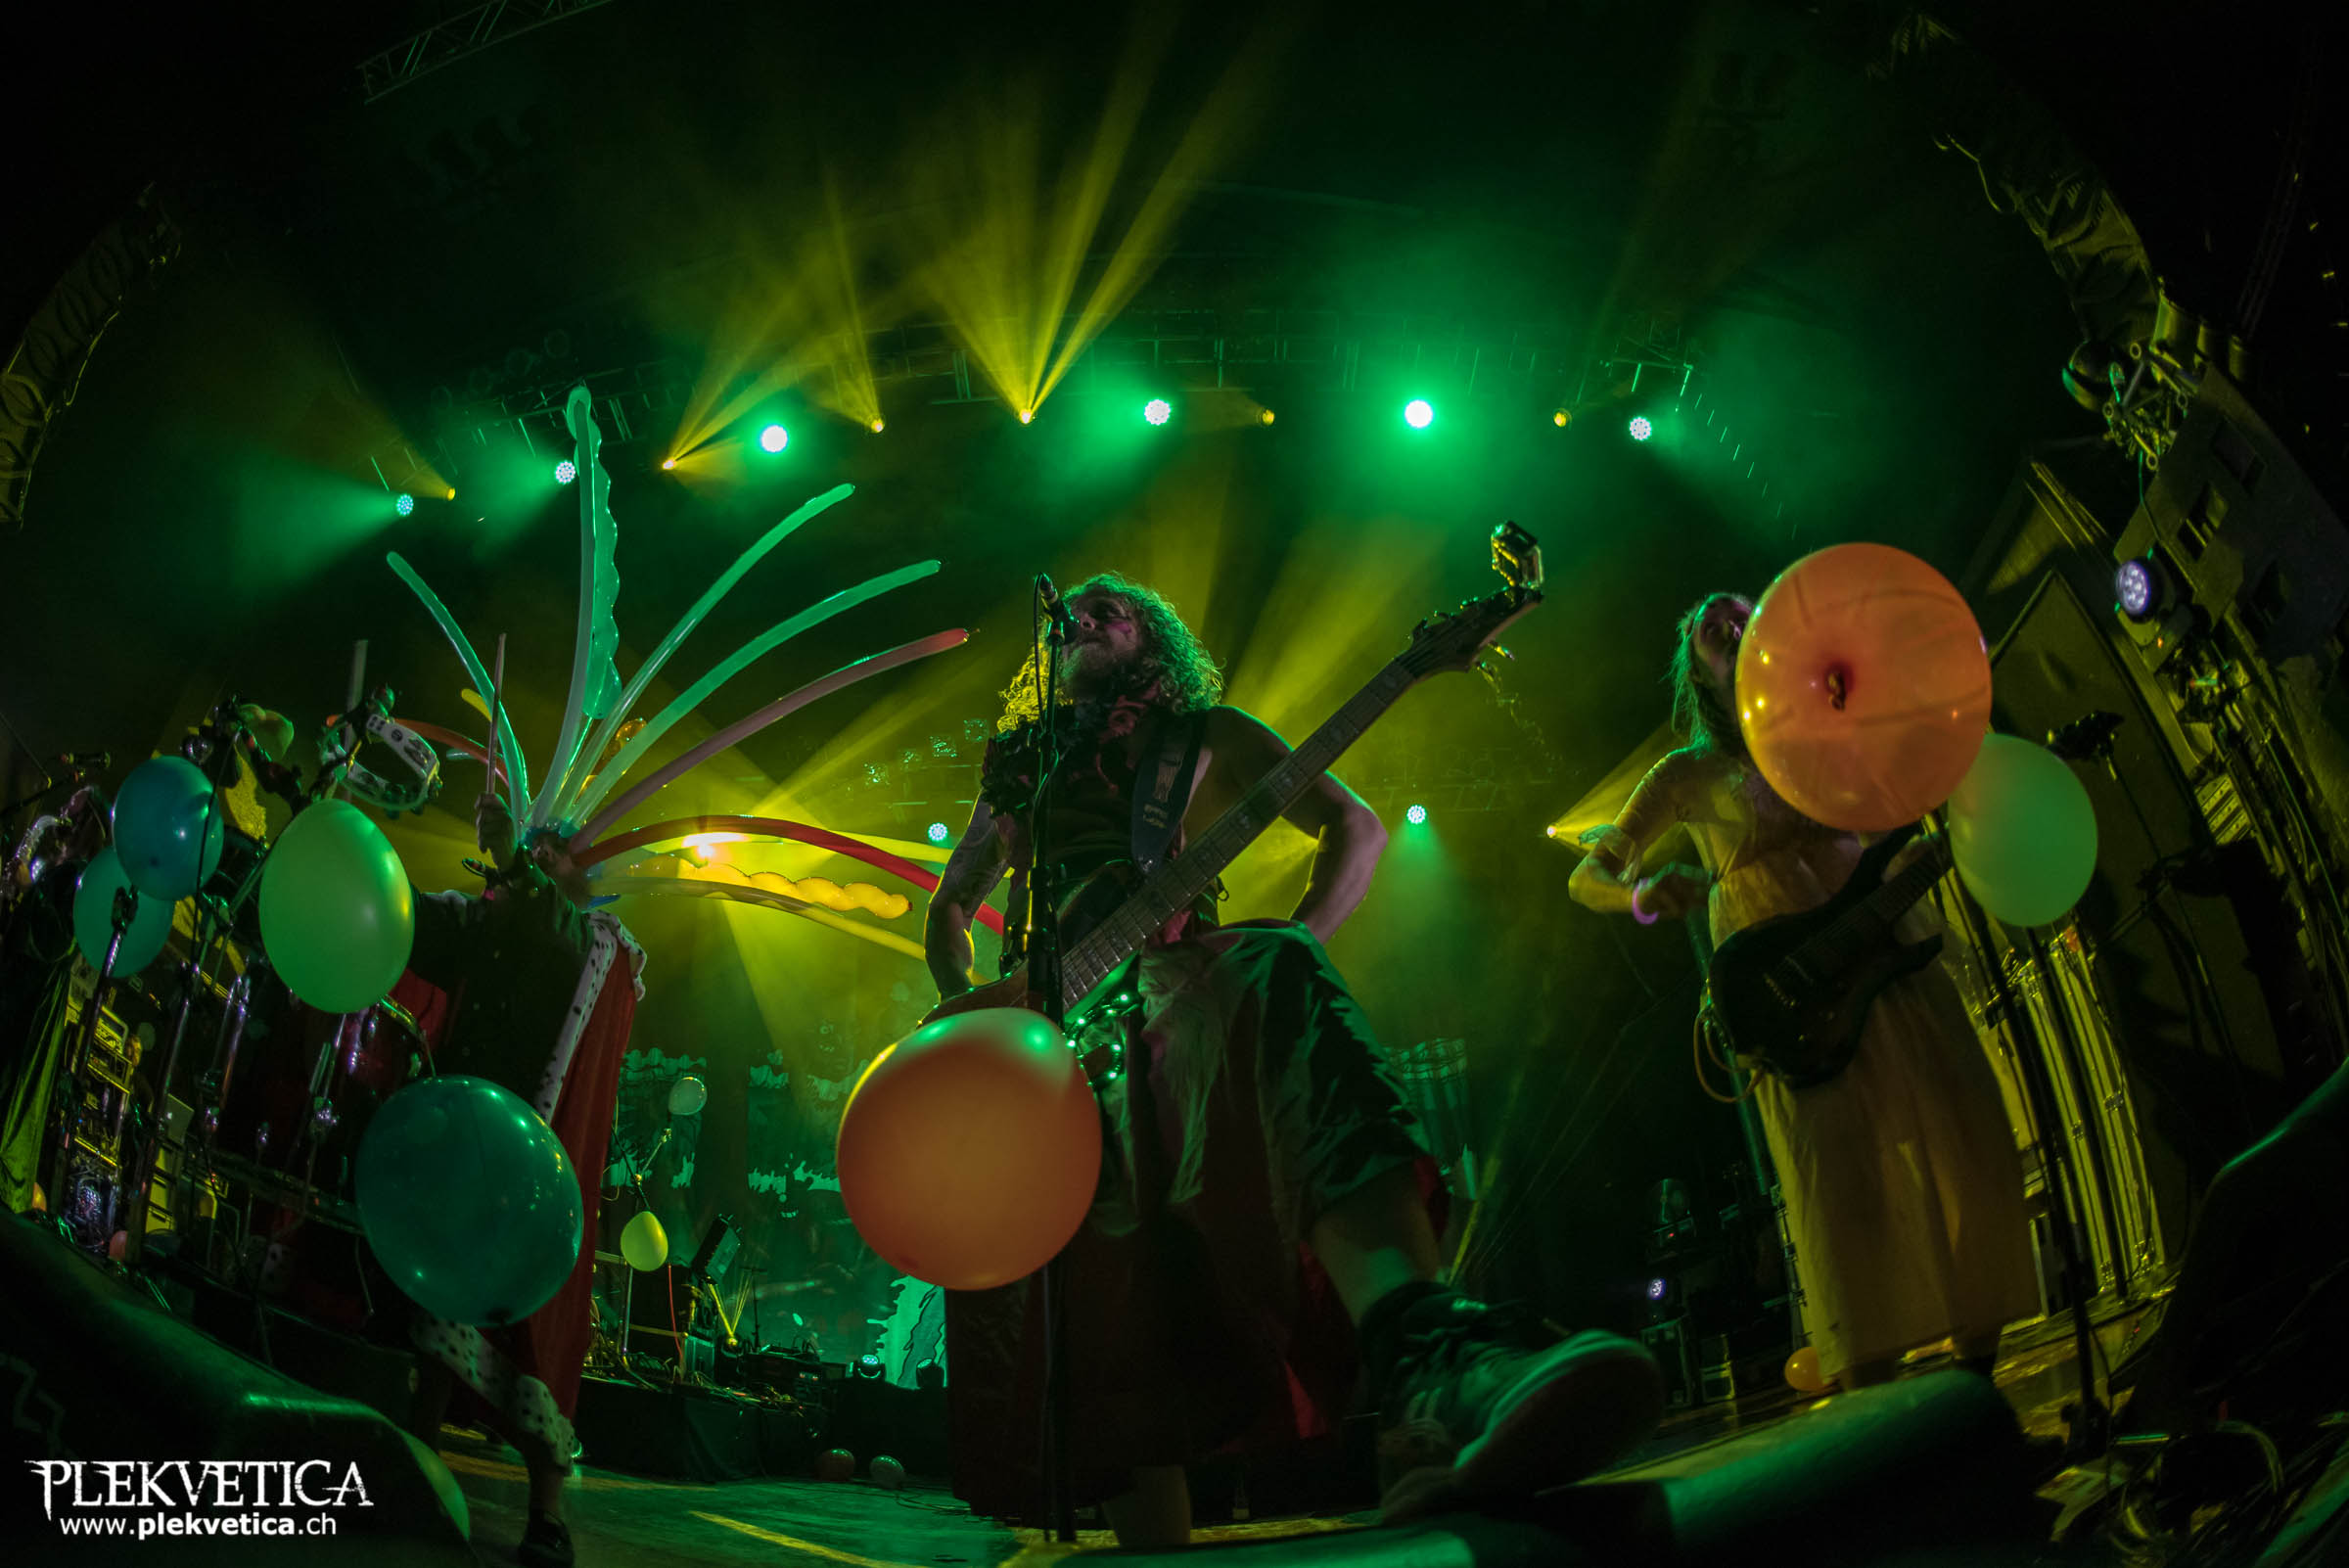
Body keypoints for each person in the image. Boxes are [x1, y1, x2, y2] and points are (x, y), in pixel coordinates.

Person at [927, 574, 1662, 1544]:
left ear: (1155, 639)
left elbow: (1355, 827)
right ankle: (1175, 1541)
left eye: (1116, 609)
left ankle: (1428, 1355)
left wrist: (1303, 940)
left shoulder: (1206, 735)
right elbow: (950, 906)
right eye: (1083, 611)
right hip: (1048, 1047)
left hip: (1172, 1006)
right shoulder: (1022, 759)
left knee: (1275, 966)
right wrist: (972, 1013)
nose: (1090, 617)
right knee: (1113, 1323)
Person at [1569, 591, 2037, 1390]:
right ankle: (1872, 1388)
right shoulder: (1682, 774)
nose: (1732, 623)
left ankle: (1977, 1371)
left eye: (1743, 612)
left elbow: (1890, 805)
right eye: (1712, 625)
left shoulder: (1823, 727)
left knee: (1953, 1111)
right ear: (1698, 670)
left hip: (1880, 939)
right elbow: (1587, 878)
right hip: (1786, 986)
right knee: (1841, 1172)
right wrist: (1640, 896)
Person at [396, 791, 645, 1568]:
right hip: (467, 1139)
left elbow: (556, 937)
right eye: (532, 843)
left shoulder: (600, 943)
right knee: (440, 1306)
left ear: (584, 872)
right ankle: (414, 1464)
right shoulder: (493, 918)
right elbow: (423, 934)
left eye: (554, 848)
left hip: (538, 1167)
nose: (539, 853)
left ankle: (548, 1512)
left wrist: (512, 863)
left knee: (538, 1335)